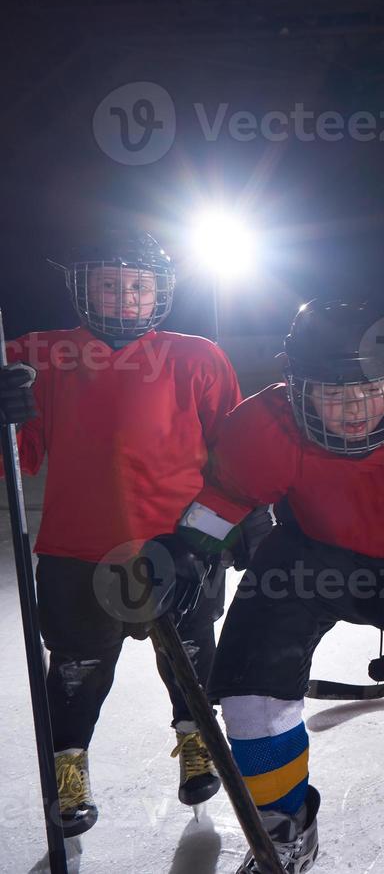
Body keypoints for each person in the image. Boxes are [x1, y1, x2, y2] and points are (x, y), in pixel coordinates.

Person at [152, 299, 384, 873]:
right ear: (295, 386)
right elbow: (228, 495)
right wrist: (187, 549)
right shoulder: (264, 424)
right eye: (332, 391)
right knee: (251, 692)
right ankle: (285, 826)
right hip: (306, 557)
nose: (354, 408)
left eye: (370, 387)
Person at [0, 230, 242, 835]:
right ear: (84, 288)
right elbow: (16, 457)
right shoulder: (39, 354)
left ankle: (197, 744)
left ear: (161, 291)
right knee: (78, 669)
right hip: (77, 551)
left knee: (188, 655)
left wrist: (228, 530)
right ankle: (68, 767)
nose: (126, 297)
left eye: (140, 285)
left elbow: (236, 456)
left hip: (178, 549)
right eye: (110, 283)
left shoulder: (199, 357)